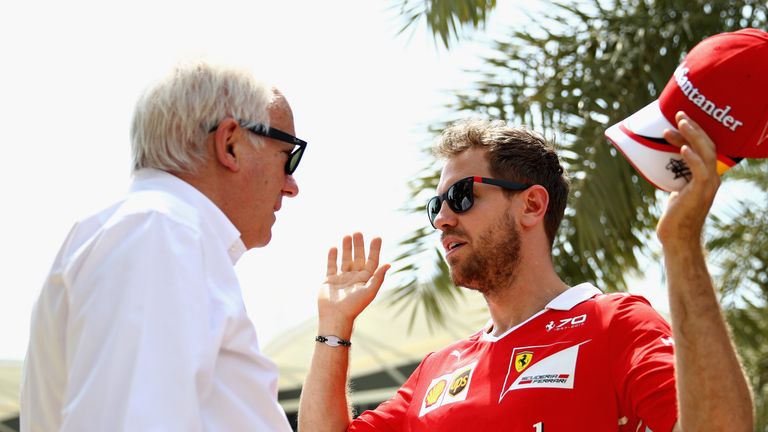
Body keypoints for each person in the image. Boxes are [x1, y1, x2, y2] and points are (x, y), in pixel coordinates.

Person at [298, 116, 754, 431]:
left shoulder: (615, 323)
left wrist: (682, 246)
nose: (442, 219)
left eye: (460, 196)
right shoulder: (437, 370)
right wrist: (334, 329)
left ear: (532, 205)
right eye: (435, 206)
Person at [20, 60, 304, 431]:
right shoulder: (161, 230)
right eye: (290, 157)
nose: (292, 185)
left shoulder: (146, 230)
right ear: (230, 143)